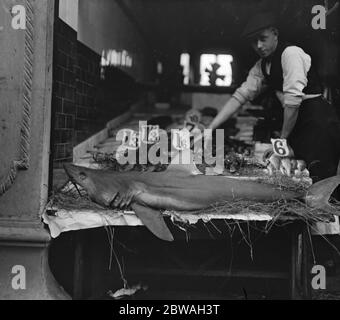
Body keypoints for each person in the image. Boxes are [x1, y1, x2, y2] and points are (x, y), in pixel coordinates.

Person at [207, 12, 340, 184]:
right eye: (254, 42)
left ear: (275, 33)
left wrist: (282, 142)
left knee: (322, 183)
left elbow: (293, 103)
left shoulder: (291, 54)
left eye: (263, 38)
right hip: (298, 124)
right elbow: (240, 96)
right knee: (301, 179)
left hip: (317, 122)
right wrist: (210, 127)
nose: (259, 46)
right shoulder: (261, 66)